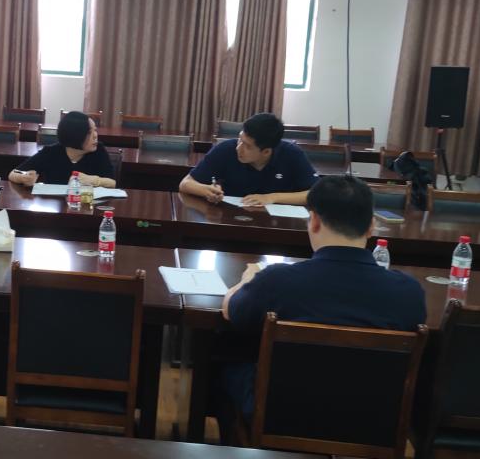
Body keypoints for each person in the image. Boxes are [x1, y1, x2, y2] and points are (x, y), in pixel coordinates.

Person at [218, 175, 426, 424]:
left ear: (314, 221)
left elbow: (231, 311)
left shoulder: (277, 281)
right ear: (371, 226)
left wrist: (248, 279)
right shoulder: (408, 292)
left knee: (225, 358)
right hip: (370, 422)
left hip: (284, 415)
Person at [179, 113, 317, 206]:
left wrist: (271, 197)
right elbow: (185, 184)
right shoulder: (226, 149)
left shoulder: (291, 154)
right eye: (240, 139)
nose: (238, 148)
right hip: (229, 218)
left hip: (276, 224)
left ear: (266, 151)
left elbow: (315, 194)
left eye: (247, 146)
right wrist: (206, 190)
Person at [8, 110, 116, 187]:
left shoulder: (99, 151)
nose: (95, 135)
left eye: (95, 130)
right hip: (55, 207)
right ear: (75, 135)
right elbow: (13, 173)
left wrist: (92, 180)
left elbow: (112, 182)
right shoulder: (51, 152)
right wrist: (23, 178)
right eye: (89, 132)